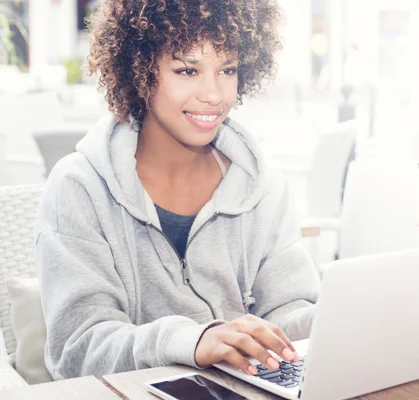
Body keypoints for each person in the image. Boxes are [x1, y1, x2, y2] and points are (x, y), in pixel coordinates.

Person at [35, 0, 320, 380]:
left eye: (227, 69)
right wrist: (192, 340)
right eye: (187, 70)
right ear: (139, 72)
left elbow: (285, 318)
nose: (214, 94)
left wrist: (341, 315)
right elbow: (78, 349)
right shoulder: (79, 188)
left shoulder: (264, 187)